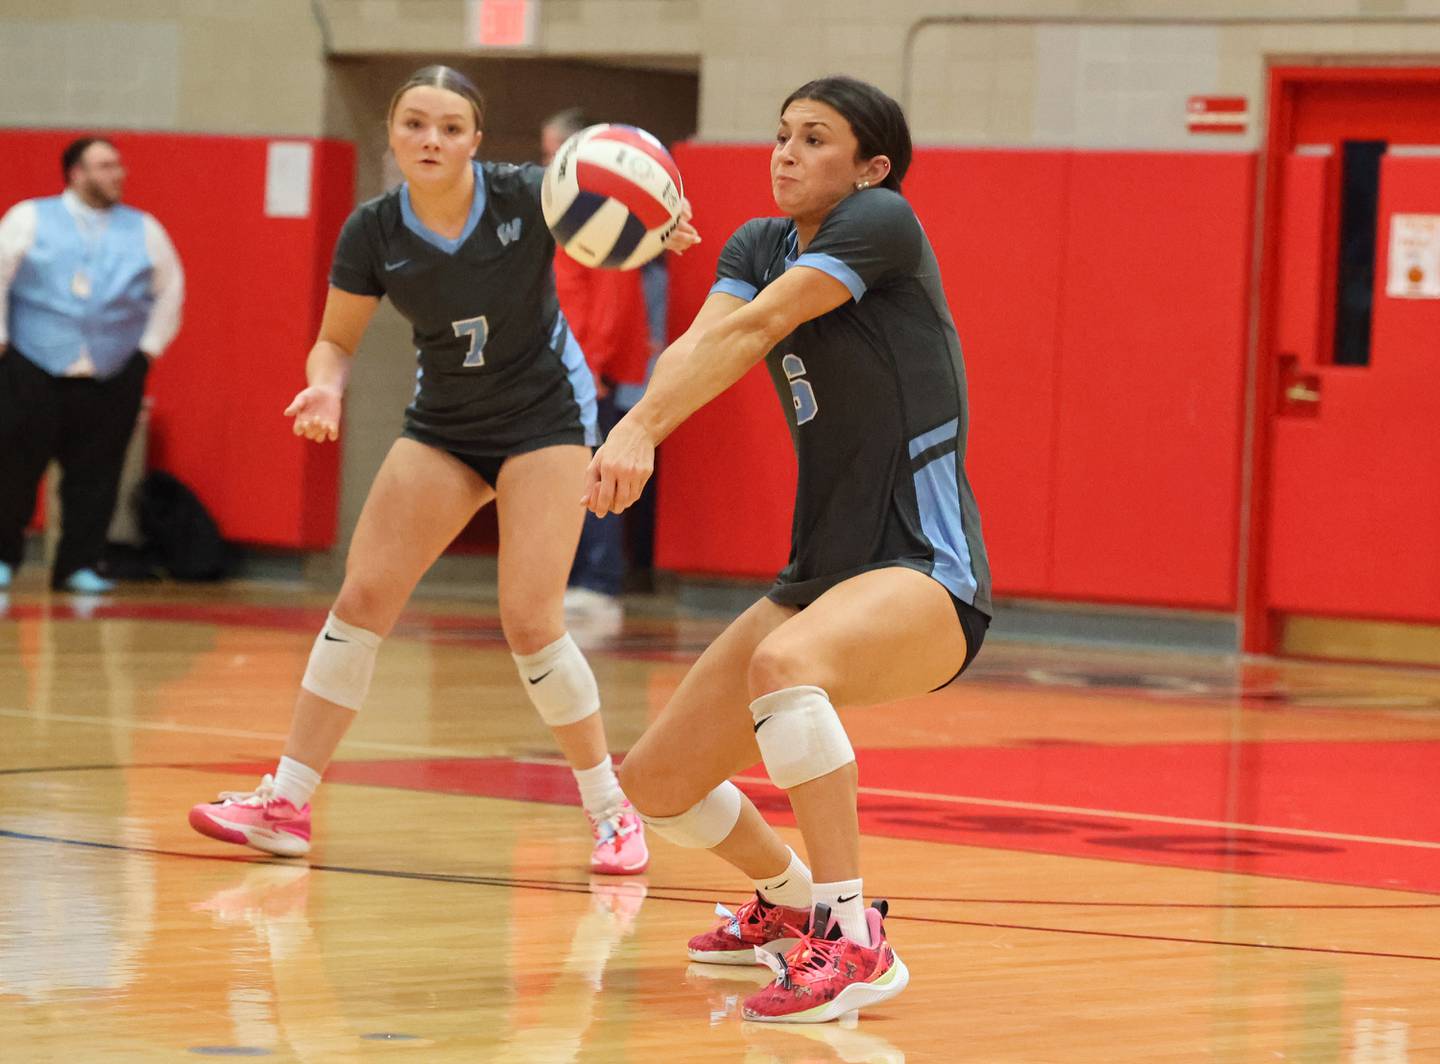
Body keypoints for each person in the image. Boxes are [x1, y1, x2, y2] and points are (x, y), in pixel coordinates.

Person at [188, 65, 697, 875]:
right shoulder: (373, 230)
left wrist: (654, 223)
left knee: (531, 622)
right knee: (359, 603)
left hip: (544, 419)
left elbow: (609, 210)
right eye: (415, 124)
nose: (431, 139)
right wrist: (324, 385)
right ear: (392, 132)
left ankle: (611, 812)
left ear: (475, 139)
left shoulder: (528, 193)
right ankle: (285, 802)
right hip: (446, 424)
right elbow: (337, 341)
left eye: (450, 127)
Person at [584, 75, 992, 1022]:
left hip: (929, 573)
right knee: (655, 781)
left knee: (785, 663)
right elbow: (705, 343)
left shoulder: (883, 223)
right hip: (821, 573)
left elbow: (764, 322)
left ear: (870, 169)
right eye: (781, 136)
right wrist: (644, 416)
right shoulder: (758, 244)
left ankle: (853, 940)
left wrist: (640, 430)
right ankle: (790, 899)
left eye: (815, 139)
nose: (786, 153)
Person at [0, 137, 184, 594]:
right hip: (31, 363)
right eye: (104, 166)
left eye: (118, 165)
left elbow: (171, 288)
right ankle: (2, 558)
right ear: (76, 173)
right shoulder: (29, 217)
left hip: (111, 370)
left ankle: (78, 565)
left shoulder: (144, 229)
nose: (117, 174)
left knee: (97, 475)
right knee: (13, 470)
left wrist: (148, 349)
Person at [540, 108, 655, 626]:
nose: (544, 164)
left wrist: (596, 369)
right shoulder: (563, 219)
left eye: (551, 154)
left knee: (595, 476)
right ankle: (577, 578)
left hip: (588, 376)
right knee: (568, 476)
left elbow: (610, 306)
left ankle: (600, 582)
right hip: (566, 372)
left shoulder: (602, 219)